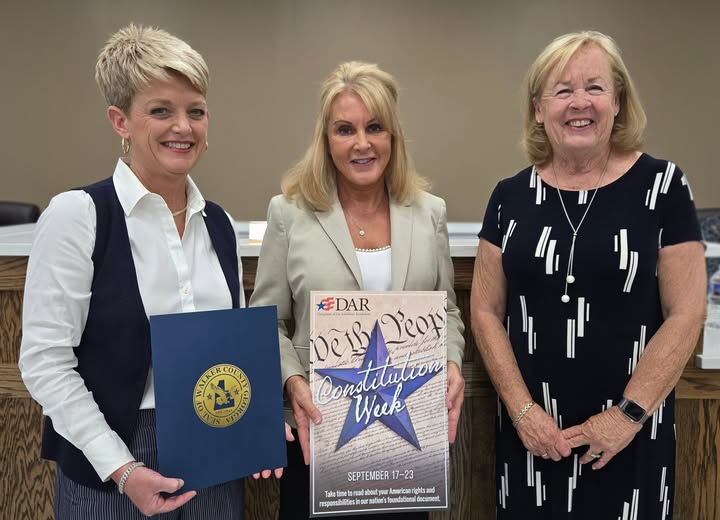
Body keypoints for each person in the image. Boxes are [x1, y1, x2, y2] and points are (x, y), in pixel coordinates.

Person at [19, 24, 287, 519]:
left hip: (216, 451)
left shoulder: (219, 224)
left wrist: (258, 425)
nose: (183, 127)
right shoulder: (79, 215)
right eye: (161, 111)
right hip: (112, 462)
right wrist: (122, 468)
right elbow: (45, 363)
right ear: (120, 121)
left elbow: (233, 351)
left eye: (196, 111)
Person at [470, 30, 706, 519]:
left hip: (630, 437)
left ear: (618, 101)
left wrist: (627, 415)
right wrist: (523, 412)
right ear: (538, 109)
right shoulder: (509, 197)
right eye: (562, 90)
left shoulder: (662, 187)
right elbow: (485, 310)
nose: (580, 103)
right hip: (533, 439)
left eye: (595, 88)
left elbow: (686, 312)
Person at [249, 61, 466, 520]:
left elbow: (447, 311)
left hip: (406, 440)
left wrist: (450, 362)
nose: (362, 143)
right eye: (345, 129)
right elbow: (266, 321)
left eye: (375, 127)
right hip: (319, 432)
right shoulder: (288, 213)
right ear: (326, 139)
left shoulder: (430, 213)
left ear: (393, 136)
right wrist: (292, 381)